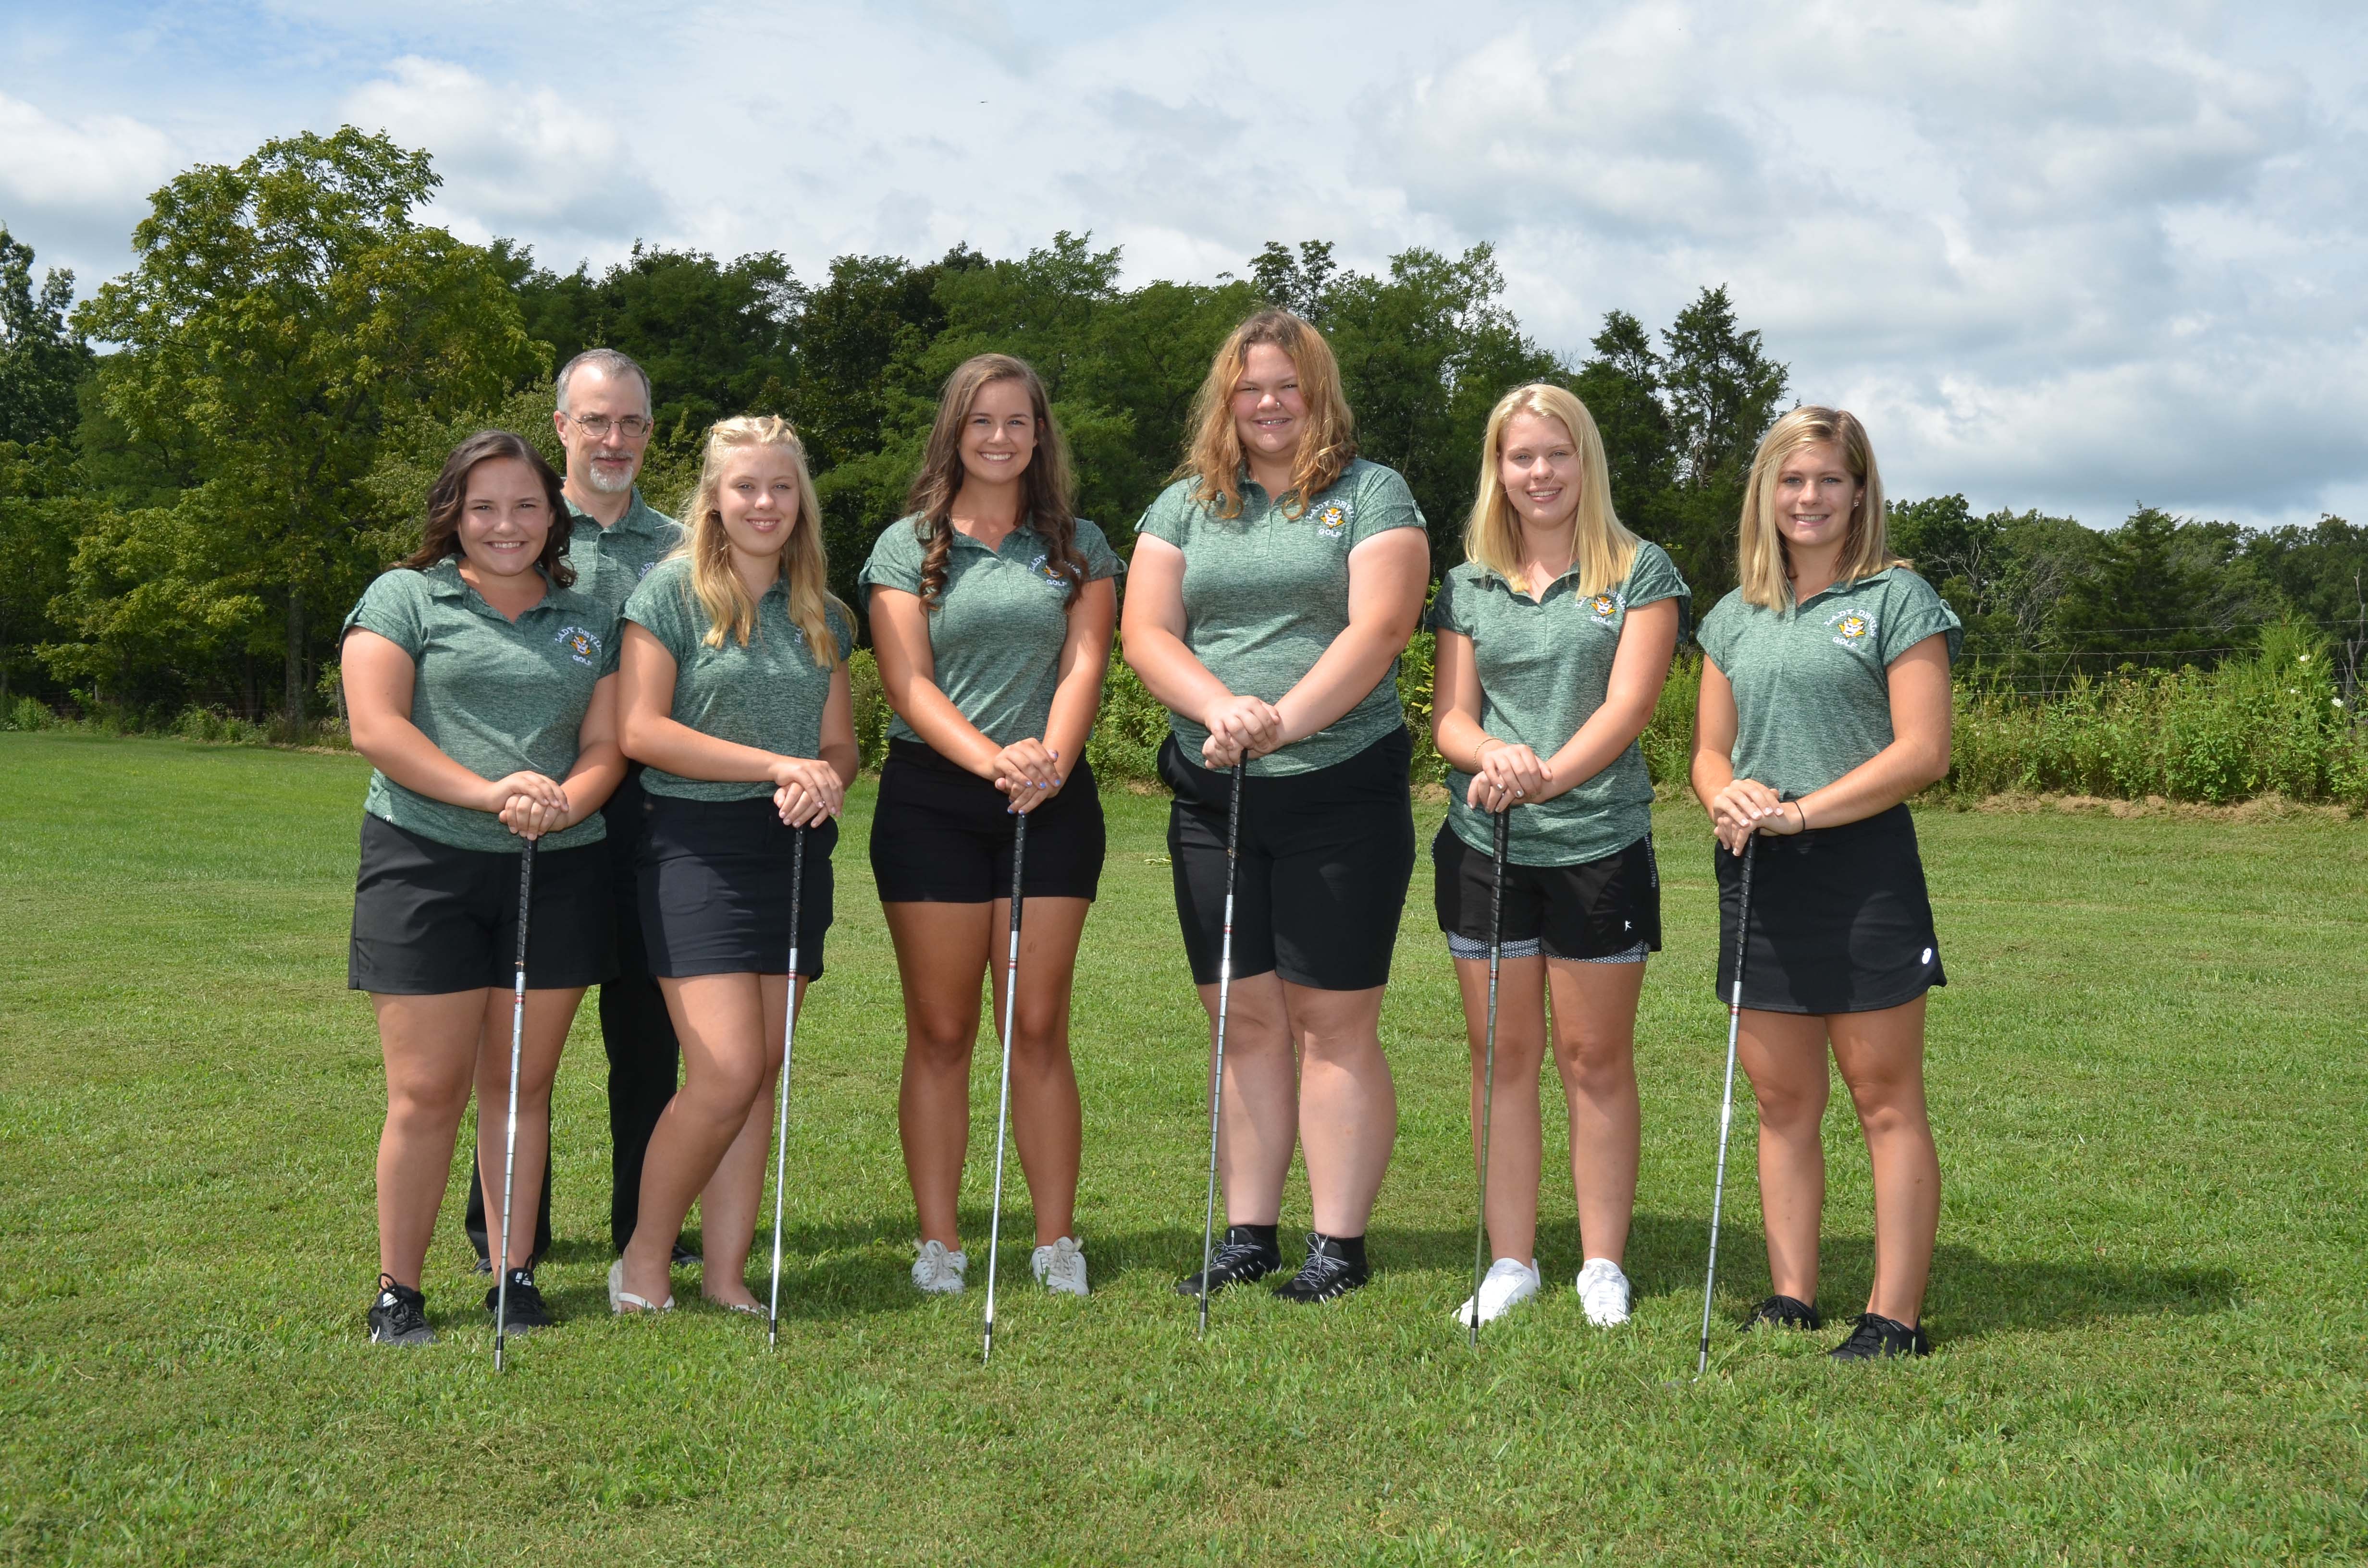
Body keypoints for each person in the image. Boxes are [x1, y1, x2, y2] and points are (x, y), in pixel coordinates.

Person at [1124, 308, 1431, 1304]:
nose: (1267, 404)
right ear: (1226, 397)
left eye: (1287, 387)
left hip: (1342, 787)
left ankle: (1337, 1244)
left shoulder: (1371, 493)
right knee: (1243, 1022)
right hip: (1214, 794)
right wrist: (1221, 709)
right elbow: (1147, 632)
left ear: (1318, 395)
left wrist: (1279, 723)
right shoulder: (1182, 507)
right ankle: (1248, 1234)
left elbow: (1379, 630)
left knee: (1332, 1026)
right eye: (1250, 387)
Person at [1689, 405, 1960, 1361]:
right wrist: (1727, 799)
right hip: (1760, 871)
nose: (1807, 498)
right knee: (1781, 1102)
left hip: (1861, 870)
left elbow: (1924, 750)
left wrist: (1805, 811)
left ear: (1859, 492)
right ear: (1764, 492)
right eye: (1789, 480)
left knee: (1883, 1097)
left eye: (1828, 481)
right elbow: (1708, 752)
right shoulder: (1730, 618)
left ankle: (1894, 1316)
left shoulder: (1895, 598)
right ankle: (1791, 1295)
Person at [344, 431, 625, 1344]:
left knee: (520, 1087)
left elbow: (607, 743)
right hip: (424, 861)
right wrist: (492, 792)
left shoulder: (591, 612)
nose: (506, 525)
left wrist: (564, 804)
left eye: (526, 507)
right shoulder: (404, 597)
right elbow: (377, 728)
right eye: (483, 508)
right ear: (452, 516)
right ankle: (401, 1290)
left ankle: (513, 1275)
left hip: (559, 864)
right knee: (426, 1091)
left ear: (556, 516)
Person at [1427, 383, 1688, 1328]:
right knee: (1502, 1057)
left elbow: (1626, 711)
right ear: (1498, 469)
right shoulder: (1467, 582)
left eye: (1557, 455)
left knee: (1594, 1058)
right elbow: (1449, 717)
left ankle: (1601, 1265)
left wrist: (1542, 777)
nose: (1539, 474)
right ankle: (1508, 1262)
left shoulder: (1641, 570)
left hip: (1597, 843)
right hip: (1483, 843)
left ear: (1586, 463)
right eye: (1520, 457)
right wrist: (1490, 756)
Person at [860, 354, 1121, 1298]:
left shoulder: (1080, 541)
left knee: (1038, 1023)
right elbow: (908, 683)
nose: (1001, 439)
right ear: (955, 434)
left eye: (1018, 422)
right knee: (939, 1029)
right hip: (935, 798)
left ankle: (1055, 1240)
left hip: (1049, 800)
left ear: (1039, 435)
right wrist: (991, 760)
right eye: (982, 423)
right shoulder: (906, 545)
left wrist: (1044, 762)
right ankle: (942, 1243)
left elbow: (1086, 665)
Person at [611, 415, 857, 1314]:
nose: (765, 503)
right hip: (692, 846)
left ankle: (724, 1274)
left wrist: (821, 779)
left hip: (792, 849)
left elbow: (840, 744)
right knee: (723, 1072)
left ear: (802, 502)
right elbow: (642, 731)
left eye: (782, 488)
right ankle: (642, 1259)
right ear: (715, 497)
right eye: (747, 486)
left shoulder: (823, 612)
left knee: (759, 1076)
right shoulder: (670, 594)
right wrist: (773, 767)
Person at [458, 347, 691, 1271]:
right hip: (520, 812)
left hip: (653, 811)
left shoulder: (683, 546)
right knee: (517, 1040)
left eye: (633, 422)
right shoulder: (514, 531)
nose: (615, 438)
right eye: (596, 419)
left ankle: (649, 1224)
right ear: (561, 426)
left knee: (648, 1036)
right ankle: (508, 1239)